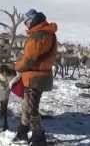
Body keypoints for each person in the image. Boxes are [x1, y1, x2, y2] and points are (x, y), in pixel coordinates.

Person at [13, 9, 58, 146]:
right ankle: (22, 131)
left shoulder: (40, 35)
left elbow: (29, 60)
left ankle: (39, 137)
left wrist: (16, 66)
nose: (26, 25)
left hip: (36, 77)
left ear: (32, 20)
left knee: (32, 109)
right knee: (26, 106)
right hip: (34, 76)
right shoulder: (42, 33)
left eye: (26, 22)